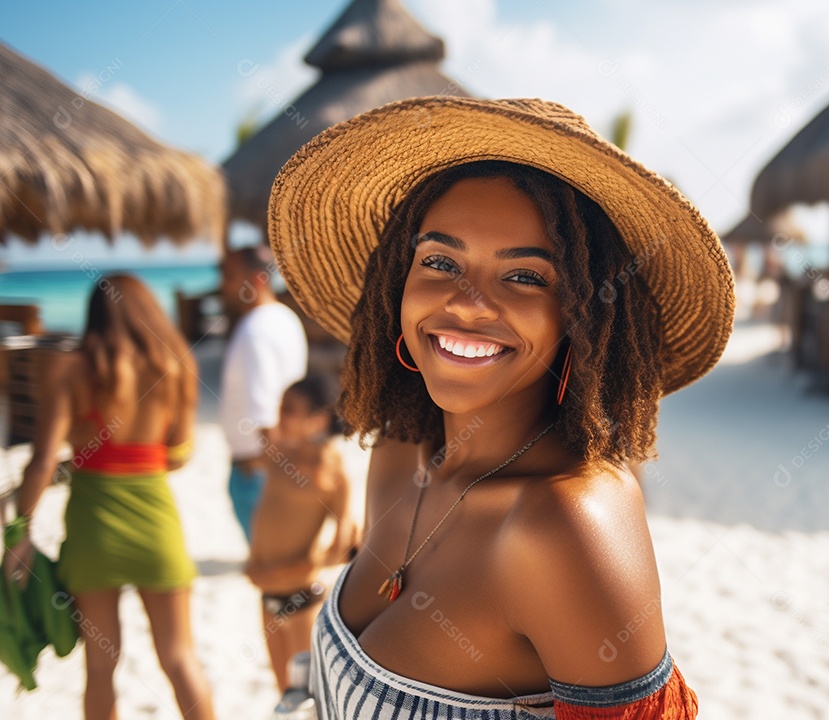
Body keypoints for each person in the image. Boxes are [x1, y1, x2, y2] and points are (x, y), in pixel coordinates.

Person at [267, 97, 736, 718]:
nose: (466, 303)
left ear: (583, 316)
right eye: (440, 261)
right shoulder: (402, 449)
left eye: (524, 277)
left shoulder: (566, 523)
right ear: (396, 280)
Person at [2, 275, 215, 720]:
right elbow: (179, 454)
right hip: (156, 526)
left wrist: (18, 532)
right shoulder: (173, 366)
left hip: (92, 530)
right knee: (179, 659)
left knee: (100, 665)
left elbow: (41, 460)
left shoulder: (72, 368)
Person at [244, 375, 359, 692]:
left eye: (289, 410)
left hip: (301, 597)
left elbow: (344, 545)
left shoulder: (332, 474)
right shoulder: (279, 454)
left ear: (318, 419)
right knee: (285, 694)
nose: (279, 415)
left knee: (310, 698)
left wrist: (287, 570)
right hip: (266, 592)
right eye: (280, 406)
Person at [219, 246, 308, 543]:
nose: (223, 284)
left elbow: (265, 411)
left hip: (258, 471)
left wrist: (272, 474)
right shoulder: (286, 318)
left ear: (256, 280)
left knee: (270, 568)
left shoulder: (256, 329)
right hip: (277, 465)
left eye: (230, 275)